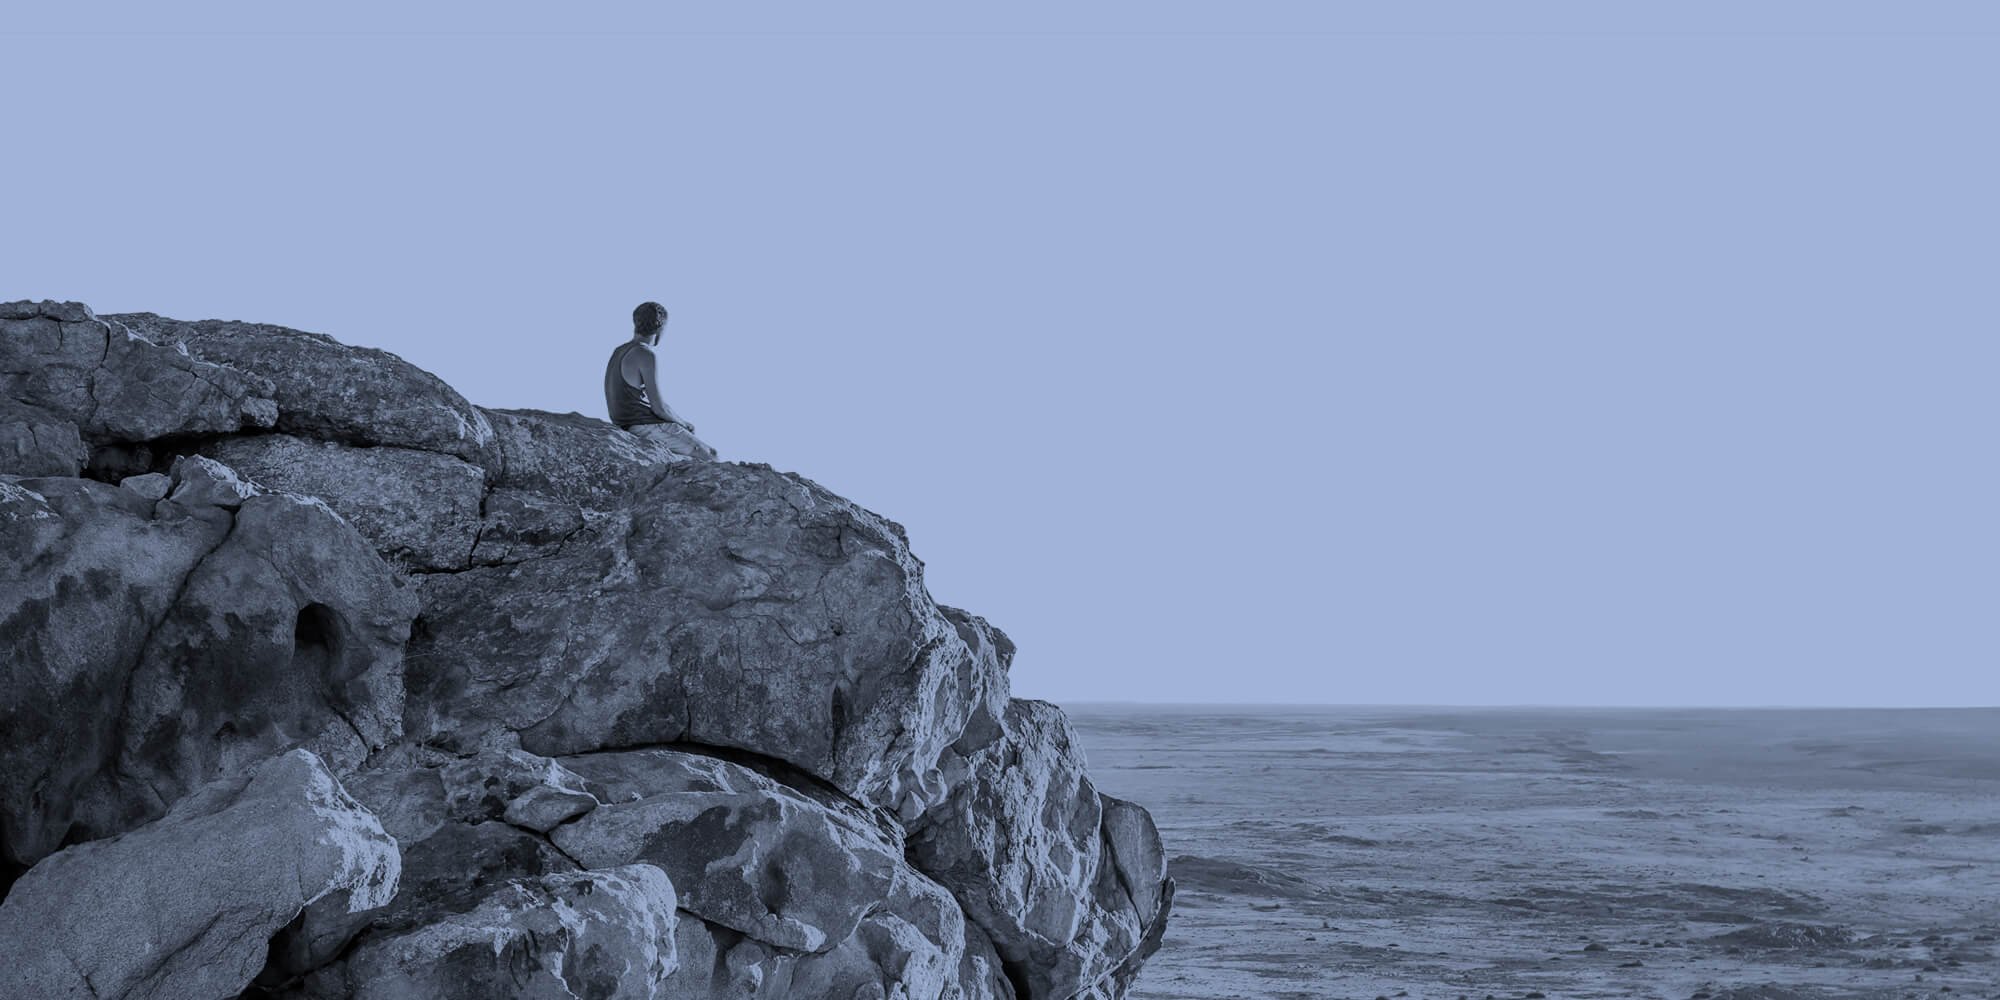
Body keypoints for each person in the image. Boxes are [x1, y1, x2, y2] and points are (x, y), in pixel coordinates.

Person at [606, 301, 716, 461]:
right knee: (711, 455)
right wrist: (684, 424)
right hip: (643, 424)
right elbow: (659, 408)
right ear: (661, 328)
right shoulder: (645, 354)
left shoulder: (619, 350)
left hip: (624, 423)